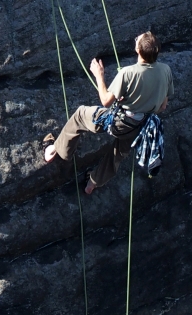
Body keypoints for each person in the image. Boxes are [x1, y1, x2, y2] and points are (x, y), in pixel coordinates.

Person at [44, 30, 172, 193]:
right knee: (117, 154)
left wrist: (99, 75)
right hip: (140, 126)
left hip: (119, 123)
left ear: (138, 51)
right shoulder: (166, 70)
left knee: (80, 115)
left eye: (136, 40)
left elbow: (105, 101)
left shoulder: (128, 73)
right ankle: (92, 184)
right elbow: (162, 106)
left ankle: (56, 150)